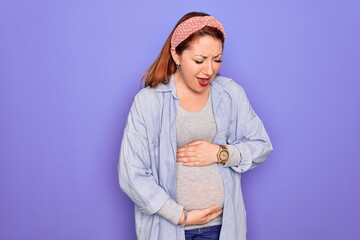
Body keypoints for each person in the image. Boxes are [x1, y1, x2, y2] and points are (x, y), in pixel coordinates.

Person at [118, 12, 273, 240]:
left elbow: (262, 146)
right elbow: (132, 174)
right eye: (199, 61)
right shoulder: (148, 101)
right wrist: (181, 216)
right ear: (176, 54)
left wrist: (221, 153)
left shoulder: (230, 94)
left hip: (221, 229)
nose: (209, 70)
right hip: (168, 230)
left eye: (217, 59)